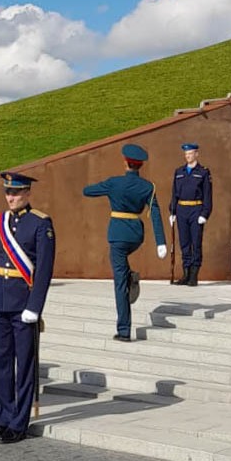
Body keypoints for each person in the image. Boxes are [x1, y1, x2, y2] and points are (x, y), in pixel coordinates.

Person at [0, 172, 55, 444]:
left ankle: (19, 423)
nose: (11, 197)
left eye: (16, 192)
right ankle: (3, 419)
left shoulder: (40, 223)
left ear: (27, 194)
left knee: (23, 367)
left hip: (23, 305)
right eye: (8, 193)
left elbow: (44, 270)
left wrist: (35, 306)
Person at [82, 144, 167, 342]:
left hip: (118, 235)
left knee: (119, 283)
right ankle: (129, 275)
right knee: (122, 270)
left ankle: (124, 330)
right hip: (136, 235)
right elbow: (155, 213)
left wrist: (104, 187)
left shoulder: (114, 183)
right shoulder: (148, 187)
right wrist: (160, 242)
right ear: (140, 165)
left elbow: (88, 191)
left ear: (125, 162)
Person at [169, 143, 212, 286]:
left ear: (196, 154)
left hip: (196, 210)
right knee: (184, 243)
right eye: (186, 154)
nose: (188, 156)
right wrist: (173, 211)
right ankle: (185, 274)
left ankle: (194, 275)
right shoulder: (179, 171)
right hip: (182, 210)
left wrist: (205, 213)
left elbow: (207, 195)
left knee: (196, 243)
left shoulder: (203, 172)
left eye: (190, 153)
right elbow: (174, 193)